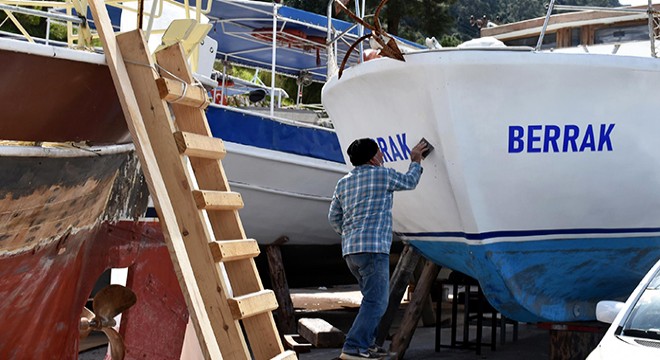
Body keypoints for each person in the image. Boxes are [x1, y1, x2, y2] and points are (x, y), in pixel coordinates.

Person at [328, 137, 429, 360]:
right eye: (380, 152)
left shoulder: (343, 182)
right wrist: (416, 160)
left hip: (352, 252)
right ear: (373, 158)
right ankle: (353, 347)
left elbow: (333, 217)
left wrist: (350, 234)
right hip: (374, 250)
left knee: (370, 300)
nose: (382, 155)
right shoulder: (382, 175)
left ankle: (368, 344)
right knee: (376, 302)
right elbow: (410, 181)